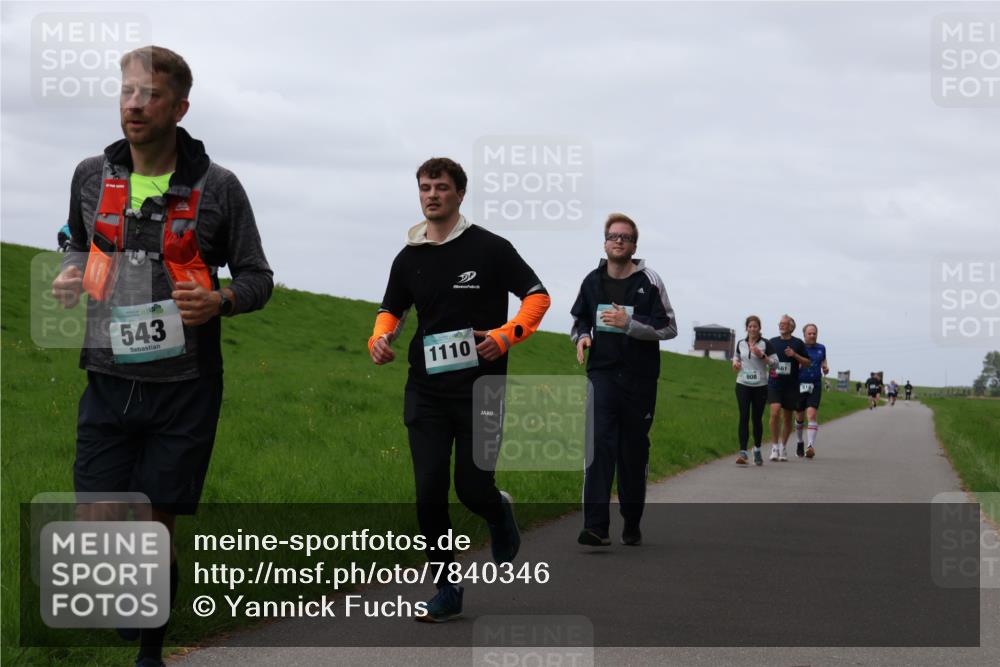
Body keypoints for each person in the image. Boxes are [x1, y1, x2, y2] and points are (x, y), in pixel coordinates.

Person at [50, 46, 273, 667]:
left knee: (152, 530)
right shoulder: (91, 175)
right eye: (127, 92)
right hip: (106, 377)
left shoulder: (219, 188)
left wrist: (219, 301)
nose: (135, 104)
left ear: (179, 107)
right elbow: (75, 239)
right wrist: (72, 275)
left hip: (185, 386)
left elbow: (258, 276)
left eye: (149, 95)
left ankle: (152, 647)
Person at [369, 157, 550, 622]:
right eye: (425, 187)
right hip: (426, 390)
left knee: (471, 488)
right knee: (429, 493)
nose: (432, 194)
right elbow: (392, 309)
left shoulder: (490, 248)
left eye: (442, 187)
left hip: (482, 388)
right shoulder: (408, 257)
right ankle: (447, 589)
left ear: (460, 194)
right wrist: (380, 337)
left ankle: (496, 511)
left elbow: (537, 295)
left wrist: (508, 335)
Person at [570, 213, 677, 546]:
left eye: (625, 237)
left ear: (634, 245)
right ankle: (596, 526)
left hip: (639, 380)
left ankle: (632, 519)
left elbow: (669, 328)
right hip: (601, 374)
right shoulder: (591, 281)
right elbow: (579, 320)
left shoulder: (650, 281)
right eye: (613, 236)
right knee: (599, 445)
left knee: (632, 452)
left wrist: (628, 324)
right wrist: (583, 338)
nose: (618, 241)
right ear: (604, 242)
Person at [731, 315, 777, 466]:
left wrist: (762, 355)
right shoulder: (740, 343)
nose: (752, 329)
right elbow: (736, 357)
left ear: (759, 328)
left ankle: (757, 449)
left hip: (760, 386)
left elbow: (775, 364)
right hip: (742, 384)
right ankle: (743, 452)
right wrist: (736, 363)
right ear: (746, 328)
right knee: (744, 416)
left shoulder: (766, 344)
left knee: (756, 419)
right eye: (750, 326)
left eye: (755, 326)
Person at [767, 315, 811, 462]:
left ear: (791, 327)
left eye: (784, 324)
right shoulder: (772, 342)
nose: (781, 326)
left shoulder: (797, 343)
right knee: (774, 411)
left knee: (787, 418)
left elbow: (807, 363)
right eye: (780, 323)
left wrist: (794, 355)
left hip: (791, 386)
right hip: (774, 383)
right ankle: (774, 447)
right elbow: (765, 359)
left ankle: (783, 446)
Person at [793, 323, 829, 459]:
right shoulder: (799, 347)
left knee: (812, 414)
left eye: (814, 333)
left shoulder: (821, 348)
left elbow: (823, 360)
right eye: (810, 333)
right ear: (804, 335)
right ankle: (800, 442)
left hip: (815, 384)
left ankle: (810, 446)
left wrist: (825, 367)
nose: (812, 335)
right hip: (799, 384)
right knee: (799, 417)